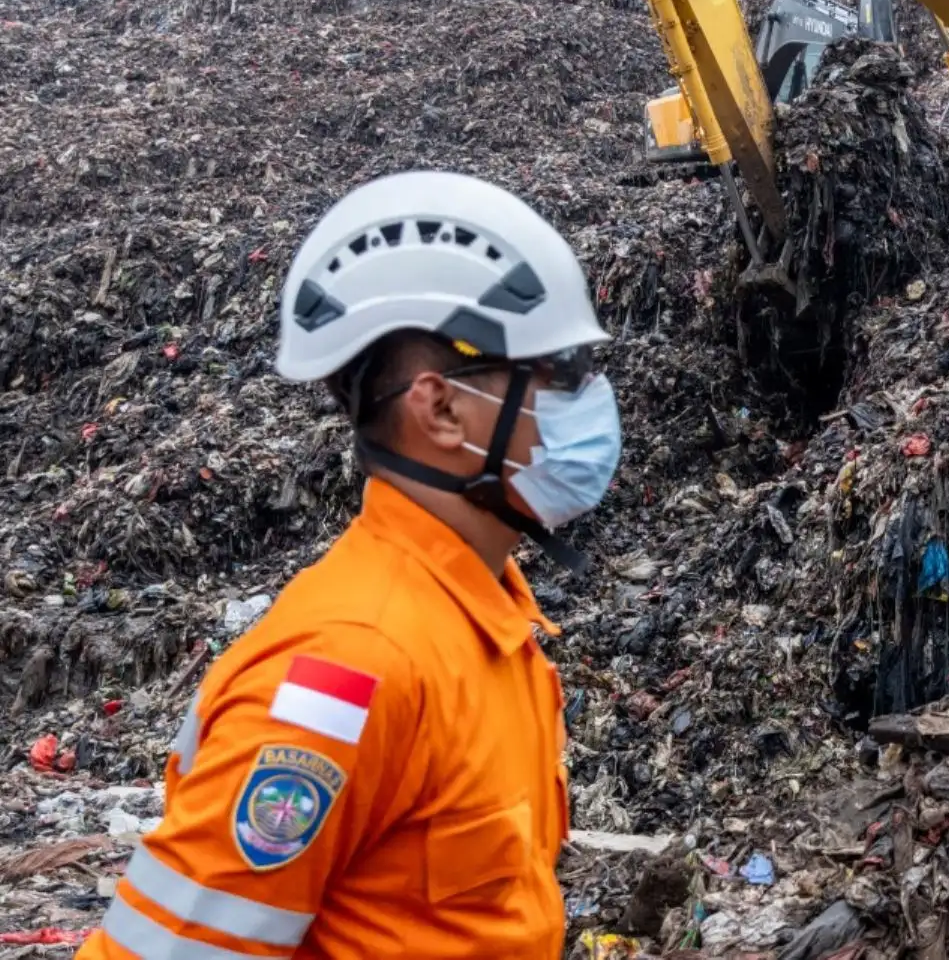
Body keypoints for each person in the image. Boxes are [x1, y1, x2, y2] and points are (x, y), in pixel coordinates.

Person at [78, 171, 620, 959]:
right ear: (439, 410)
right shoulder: (350, 667)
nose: (587, 397)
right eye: (557, 372)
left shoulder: (482, 622)